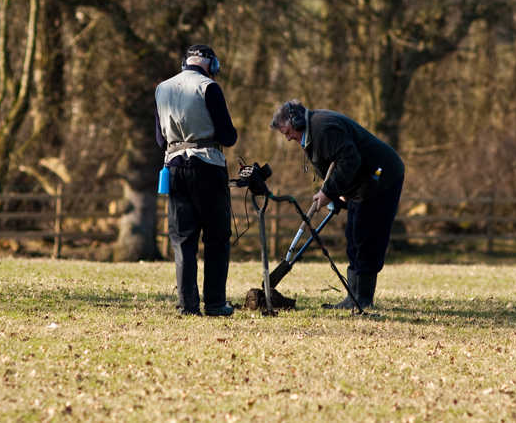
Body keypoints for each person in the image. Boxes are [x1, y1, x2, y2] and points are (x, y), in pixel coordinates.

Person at [270, 99, 404, 309]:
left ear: (296, 121)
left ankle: (363, 300)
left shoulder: (323, 128)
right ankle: (353, 297)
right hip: (361, 183)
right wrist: (338, 192)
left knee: (366, 237)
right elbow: (335, 163)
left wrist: (328, 192)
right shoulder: (311, 133)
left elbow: (350, 159)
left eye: (287, 132)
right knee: (353, 235)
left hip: (381, 178)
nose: (287, 138)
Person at [155, 44, 238, 317]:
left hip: (174, 167)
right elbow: (228, 137)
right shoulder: (209, 87)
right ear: (210, 63)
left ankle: (187, 305)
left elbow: (159, 140)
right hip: (207, 166)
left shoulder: (162, 88)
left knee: (182, 238)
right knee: (216, 235)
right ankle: (214, 303)